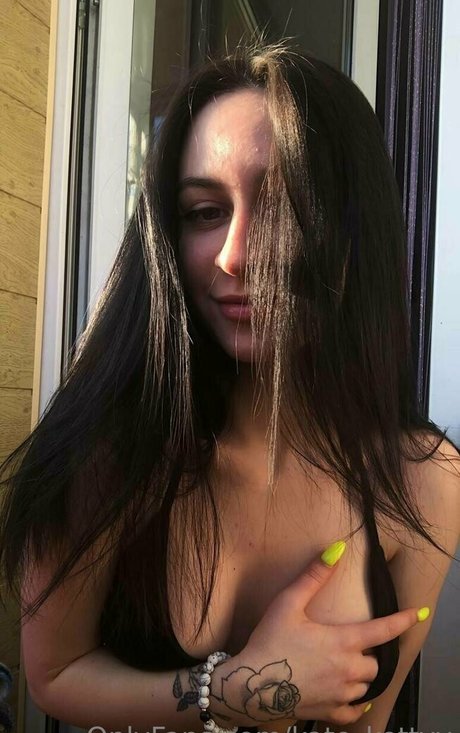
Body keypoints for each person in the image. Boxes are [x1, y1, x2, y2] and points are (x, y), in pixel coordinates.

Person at [0, 40, 459, 733]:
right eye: (204, 212)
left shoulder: (424, 481)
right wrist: (230, 690)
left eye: (284, 205)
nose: (234, 254)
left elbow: (370, 722)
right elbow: (53, 675)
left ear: (353, 233)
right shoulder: (109, 450)